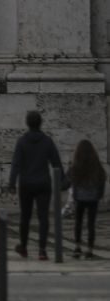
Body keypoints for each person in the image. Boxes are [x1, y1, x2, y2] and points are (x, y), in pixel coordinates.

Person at [8, 110, 63, 260]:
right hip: (43, 183)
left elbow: (16, 164)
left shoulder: (22, 141)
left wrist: (12, 183)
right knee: (43, 216)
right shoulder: (47, 141)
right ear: (40, 123)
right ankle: (42, 250)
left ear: (27, 123)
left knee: (25, 217)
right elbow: (56, 163)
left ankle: (24, 247)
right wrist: (62, 181)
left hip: (26, 183)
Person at [68, 138, 107, 259]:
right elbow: (103, 177)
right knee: (91, 224)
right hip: (93, 197)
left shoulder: (76, 164)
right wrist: (100, 194)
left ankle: (77, 248)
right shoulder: (96, 163)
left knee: (78, 223)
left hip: (80, 197)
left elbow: (71, 179)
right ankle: (89, 250)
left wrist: (74, 194)